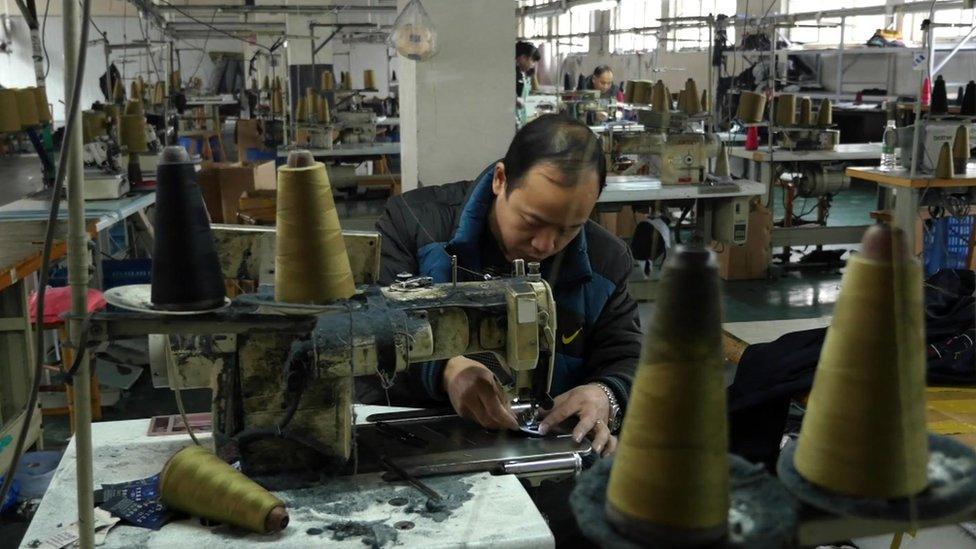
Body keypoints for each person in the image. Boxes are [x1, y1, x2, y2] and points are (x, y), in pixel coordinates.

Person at [370, 115, 641, 456]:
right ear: (501, 179)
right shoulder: (413, 224)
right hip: (424, 438)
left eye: (569, 229)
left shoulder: (607, 260)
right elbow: (374, 330)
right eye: (532, 222)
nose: (545, 245)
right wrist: (444, 369)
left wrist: (607, 393)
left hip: (547, 445)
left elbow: (627, 355)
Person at [516, 41, 540, 126]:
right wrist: (516, 99)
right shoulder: (513, 74)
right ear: (523, 58)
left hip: (520, 118)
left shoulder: (525, 75)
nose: (533, 64)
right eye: (532, 61)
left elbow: (536, 89)